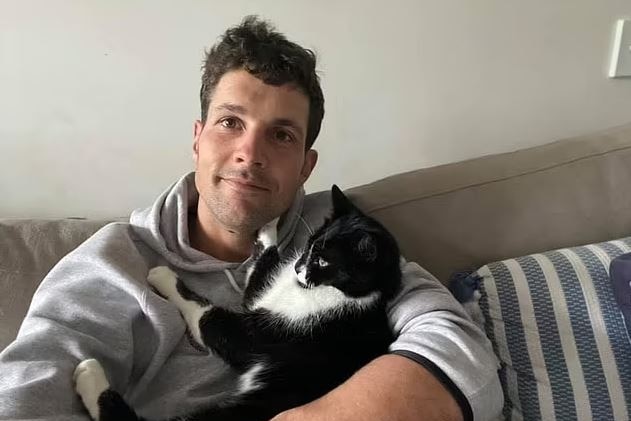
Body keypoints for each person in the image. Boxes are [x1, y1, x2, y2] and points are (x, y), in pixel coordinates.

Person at [0, 16, 502, 421]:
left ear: (307, 164)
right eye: (230, 122)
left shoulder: (335, 239)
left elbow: (462, 353)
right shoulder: (114, 258)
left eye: (281, 135)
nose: (249, 153)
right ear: (197, 138)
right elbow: (31, 385)